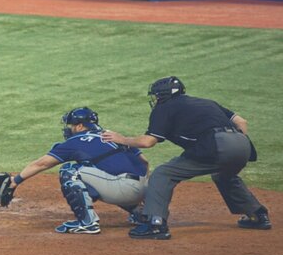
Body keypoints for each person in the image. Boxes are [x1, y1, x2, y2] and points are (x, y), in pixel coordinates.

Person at [102, 77, 271, 240]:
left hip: (216, 145)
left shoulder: (164, 107)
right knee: (224, 175)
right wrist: (233, 140)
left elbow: (148, 142)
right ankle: (258, 214)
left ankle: (155, 224)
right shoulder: (205, 102)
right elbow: (241, 121)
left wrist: (122, 139)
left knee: (163, 174)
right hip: (242, 144)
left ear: (163, 96)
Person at [6, 107, 148, 235]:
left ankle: (87, 223)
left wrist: (15, 181)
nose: (69, 129)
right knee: (106, 171)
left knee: (70, 171)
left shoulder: (77, 140)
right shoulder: (113, 136)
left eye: (71, 125)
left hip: (123, 190)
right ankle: (141, 212)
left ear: (80, 126)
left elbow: (42, 164)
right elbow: (144, 162)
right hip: (144, 189)